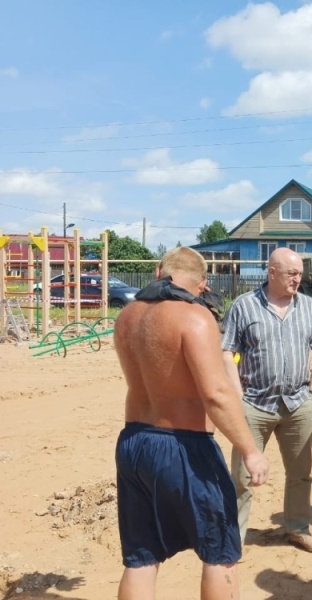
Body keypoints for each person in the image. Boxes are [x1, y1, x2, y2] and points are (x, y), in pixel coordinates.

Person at [113, 247, 269, 600]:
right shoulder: (194, 317)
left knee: (141, 556)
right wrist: (250, 450)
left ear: (158, 273)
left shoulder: (127, 316)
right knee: (220, 552)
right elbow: (215, 394)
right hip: (185, 446)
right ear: (202, 283)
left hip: (135, 442)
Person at [221, 247, 312, 554]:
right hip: (255, 404)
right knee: (243, 477)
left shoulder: (309, 307)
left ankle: (298, 528)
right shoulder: (244, 307)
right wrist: (238, 396)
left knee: (300, 473)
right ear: (272, 272)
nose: (298, 279)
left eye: (300, 274)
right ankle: (234, 540)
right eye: (292, 274)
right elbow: (226, 351)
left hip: (299, 404)